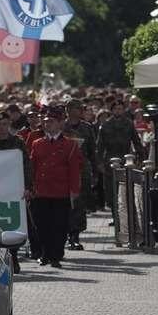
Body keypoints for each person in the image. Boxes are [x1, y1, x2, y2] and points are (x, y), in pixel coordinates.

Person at [0, 111, 33, 273]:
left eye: (5, 124)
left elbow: (26, 164)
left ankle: (14, 257)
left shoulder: (18, 142)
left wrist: (28, 187)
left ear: (9, 125)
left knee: (13, 222)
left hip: (13, 187)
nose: (2, 127)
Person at [29, 108, 82, 268]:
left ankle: (56, 255)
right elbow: (33, 167)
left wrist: (74, 191)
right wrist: (30, 187)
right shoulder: (37, 143)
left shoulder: (70, 144)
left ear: (60, 123)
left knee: (60, 225)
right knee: (41, 224)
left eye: (51, 121)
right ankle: (44, 254)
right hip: (41, 191)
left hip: (61, 191)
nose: (47, 124)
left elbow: (74, 169)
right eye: (45, 122)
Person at [96, 100, 145, 223]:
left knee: (126, 190)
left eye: (120, 108)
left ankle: (126, 217)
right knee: (111, 191)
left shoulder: (129, 124)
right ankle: (115, 217)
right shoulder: (105, 125)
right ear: (112, 110)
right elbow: (100, 146)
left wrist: (141, 157)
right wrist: (99, 162)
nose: (118, 111)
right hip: (110, 160)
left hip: (125, 160)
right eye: (116, 108)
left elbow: (136, 141)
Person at [64, 99, 97, 250]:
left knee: (79, 204)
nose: (79, 111)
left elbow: (92, 151)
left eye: (80, 108)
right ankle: (65, 233)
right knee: (64, 204)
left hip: (81, 171)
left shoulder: (87, 127)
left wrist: (95, 171)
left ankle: (75, 235)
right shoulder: (61, 126)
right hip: (63, 171)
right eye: (76, 108)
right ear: (69, 110)